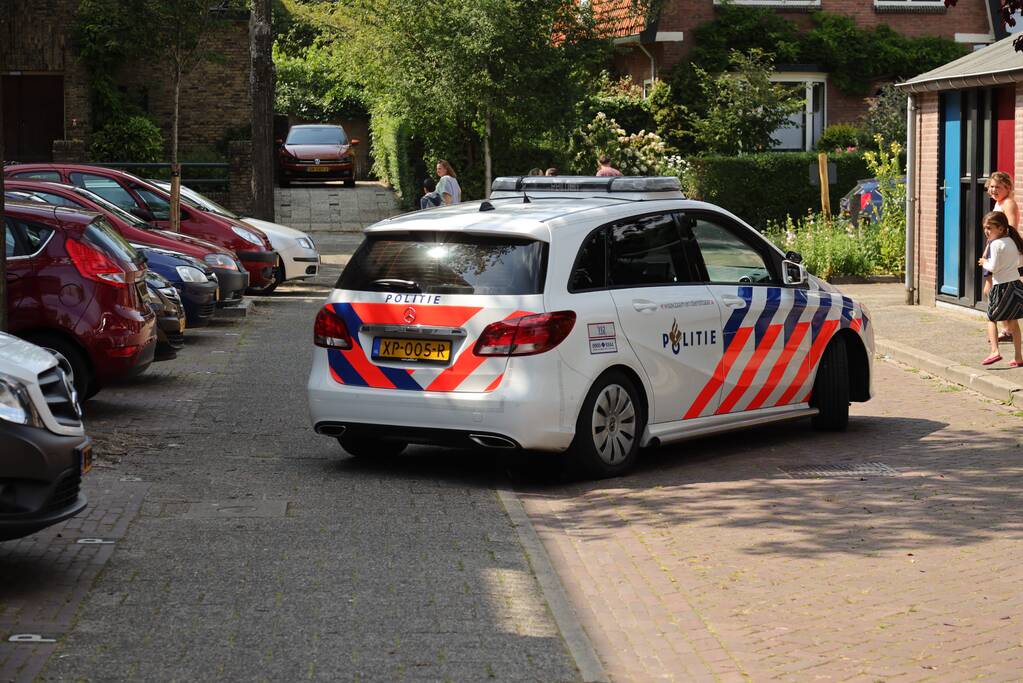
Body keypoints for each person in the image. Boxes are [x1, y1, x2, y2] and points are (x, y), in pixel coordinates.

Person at [978, 211, 1023, 367]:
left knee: (991, 319)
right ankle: (1018, 357)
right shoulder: (1012, 241)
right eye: (985, 228)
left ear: (1001, 228)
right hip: (1016, 286)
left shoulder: (995, 244)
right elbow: (1019, 262)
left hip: (1001, 287)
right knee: (1014, 322)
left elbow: (994, 268)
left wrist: (984, 262)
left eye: (990, 228)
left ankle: (994, 351)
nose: (986, 231)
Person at [984, 172, 1020, 342]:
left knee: (998, 289)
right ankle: (1008, 330)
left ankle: (1009, 330)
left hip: (1004, 253)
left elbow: (1011, 228)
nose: (993, 190)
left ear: (1008, 188)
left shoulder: (1008, 203)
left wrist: (996, 249)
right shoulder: (999, 203)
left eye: (998, 187)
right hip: (997, 250)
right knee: (996, 289)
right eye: (991, 186)